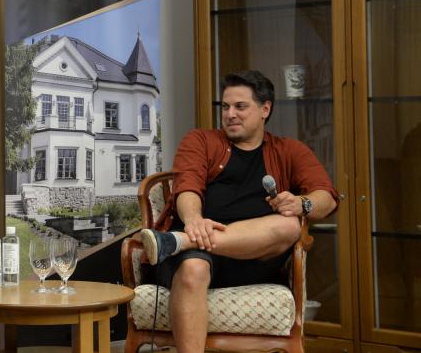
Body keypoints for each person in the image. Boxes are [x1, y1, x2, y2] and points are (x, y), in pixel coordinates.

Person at [139, 70, 338, 353]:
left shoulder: (289, 150)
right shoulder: (200, 140)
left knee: (290, 225)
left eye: (240, 106)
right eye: (225, 106)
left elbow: (326, 197)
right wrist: (194, 219)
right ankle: (187, 242)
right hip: (199, 255)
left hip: (255, 257)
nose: (230, 114)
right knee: (193, 268)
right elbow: (187, 187)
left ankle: (177, 241)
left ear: (265, 109)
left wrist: (301, 203)